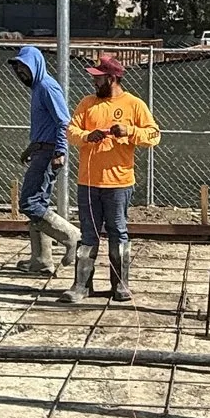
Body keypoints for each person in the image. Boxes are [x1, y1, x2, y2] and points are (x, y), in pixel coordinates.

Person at [65, 51, 160, 304]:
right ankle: (82, 285)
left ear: (112, 78)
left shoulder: (134, 105)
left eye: (98, 78)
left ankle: (120, 285)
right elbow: (71, 132)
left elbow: (154, 135)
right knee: (88, 234)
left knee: (118, 232)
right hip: (88, 182)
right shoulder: (87, 103)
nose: (94, 82)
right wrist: (87, 136)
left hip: (119, 183)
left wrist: (129, 132)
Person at [7, 44, 79, 276]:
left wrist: (60, 151)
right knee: (38, 205)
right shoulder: (38, 88)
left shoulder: (47, 87)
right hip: (41, 150)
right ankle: (41, 260)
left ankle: (72, 237)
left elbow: (63, 121)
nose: (21, 73)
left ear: (36, 65)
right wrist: (31, 149)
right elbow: (46, 125)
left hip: (49, 154)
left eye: (24, 68)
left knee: (29, 203)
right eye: (18, 70)